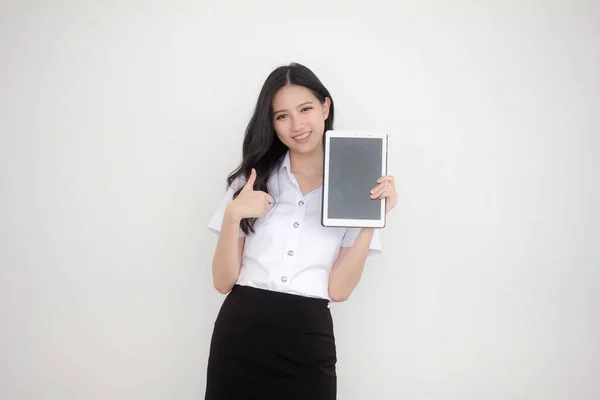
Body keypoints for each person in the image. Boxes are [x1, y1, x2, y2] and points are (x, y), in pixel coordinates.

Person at [204, 62, 398, 400]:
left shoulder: (355, 189)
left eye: (305, 109)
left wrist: (370, 218)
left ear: (325, 106)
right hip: (241, 334)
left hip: (308, 336)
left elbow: (338, 290)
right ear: (272, 123)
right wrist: (233, 215)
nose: (297, 125)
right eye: (282, 116)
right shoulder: (251, 182)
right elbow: (222, 282)